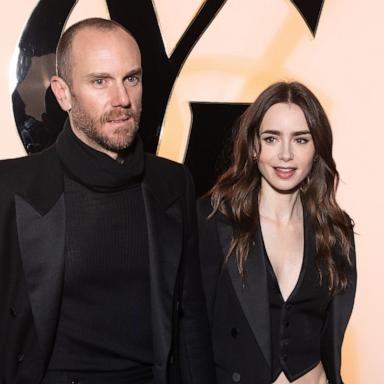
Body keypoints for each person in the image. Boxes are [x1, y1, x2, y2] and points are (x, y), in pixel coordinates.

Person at [0, 18, 215, 384]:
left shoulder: (172, 183)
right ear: (63, 93)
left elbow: (190, 320)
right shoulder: (11, 187)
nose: (122, 100)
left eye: (131, 78)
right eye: (100, 81)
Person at [197, 81, 356, 384]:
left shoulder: (335, 232)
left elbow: (329, 338)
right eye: (271, 138)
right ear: (254, 146)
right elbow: (195, 331)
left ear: (316, 149)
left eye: (300, 140)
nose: (285, 154)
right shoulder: (213, 222)